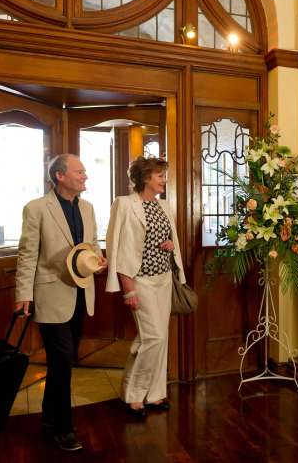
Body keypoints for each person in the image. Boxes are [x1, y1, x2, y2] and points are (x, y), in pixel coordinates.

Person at [14, 154, 106, 451]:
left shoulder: (88, 208)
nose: (85, 176)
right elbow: (28, 254)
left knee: (61, 363)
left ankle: (49, 417)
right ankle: (64, 428)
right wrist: (23, 295)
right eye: (80, 172)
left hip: (81, 292)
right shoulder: (36, 208)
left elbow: (89, 246)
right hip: (51, 294)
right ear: (60, 176)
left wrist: (98, 257)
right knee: (63, 361)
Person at [105, 156, 186, 418]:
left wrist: (171, 245)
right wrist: (127, 288)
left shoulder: (164, 206)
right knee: (154, 337)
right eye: (159, 175)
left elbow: (168, 239)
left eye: (164, 175)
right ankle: (133, 394)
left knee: (156, 338)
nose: (164, 179)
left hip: (163, 280)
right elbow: (117, 247)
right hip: (139, 281)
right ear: (145, 178)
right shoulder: (125, 204)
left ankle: (154, 394)